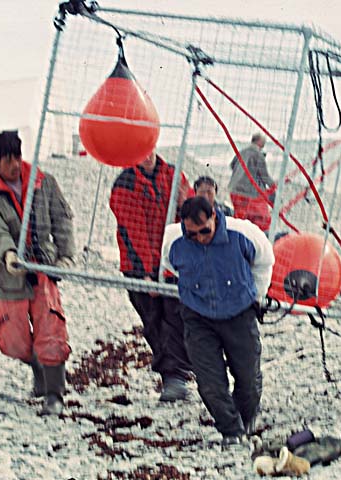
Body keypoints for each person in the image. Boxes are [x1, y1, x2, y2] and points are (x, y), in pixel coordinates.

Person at [0, 130, 75, 416]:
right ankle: (39, 369)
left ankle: (55, 395)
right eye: (8, 160)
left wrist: (65, 257)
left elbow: (63, 219)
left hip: (43, 271)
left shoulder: (43, 182)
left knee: (51, 331)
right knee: (13, 341)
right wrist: (8, 254)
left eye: (18, 157)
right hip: (11, 275)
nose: (15, 165)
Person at [161, 196, 275, 447]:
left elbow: (265, 261)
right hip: (197, 316)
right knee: (210, 381)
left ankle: (244, 422)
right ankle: (231, 432)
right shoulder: (172, 240)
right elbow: (171, 263)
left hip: (239, 313)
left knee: (248, 379)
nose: (200, 238)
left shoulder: (243, 233)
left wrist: (256, 297)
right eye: (192, 234)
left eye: (205, 231)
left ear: (214, 216)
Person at [109, 150, 194, 402]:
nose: (146, 156)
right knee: (153, 319)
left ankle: (177, 375)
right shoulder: (125, 183)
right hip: (139, 266)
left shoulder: (173, 175)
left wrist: (183, 203)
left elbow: (190, 216)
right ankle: (172, 377)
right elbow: (134, 233)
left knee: (176, 317)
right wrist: (147, 274)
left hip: (172, 261)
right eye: (141, 150)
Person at [228, 133, 275, 231]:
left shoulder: (241, 152)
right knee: (260, 219)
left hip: (235, 190)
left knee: (240, 219)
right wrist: (274, 186)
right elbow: (264, 176)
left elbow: (232, 166)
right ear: (260, 142)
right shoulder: (258, 155)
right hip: (249, 193)